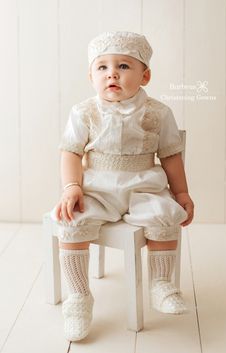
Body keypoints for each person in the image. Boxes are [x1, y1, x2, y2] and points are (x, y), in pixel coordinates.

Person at [50, 31, 194, 342]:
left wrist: (181, 193)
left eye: (124, 66)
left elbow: (170, 156)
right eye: (102, 67)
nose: (112, 73)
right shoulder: (84, 112)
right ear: (91, 76)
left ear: (146, 75)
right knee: (73, 219)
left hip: (145, 185)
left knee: (164, 214)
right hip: (97, 187)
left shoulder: (158, 112)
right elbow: (71, 152)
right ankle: (78, 297)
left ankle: (161, 283)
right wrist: (72, 186)